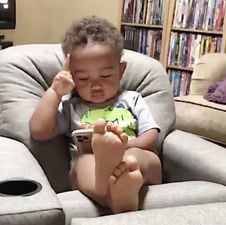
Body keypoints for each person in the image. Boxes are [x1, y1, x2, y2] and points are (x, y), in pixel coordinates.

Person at [29, 16, 162, 213]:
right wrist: (55, 91)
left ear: (121, 70)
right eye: (83, 78)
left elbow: (151, 136)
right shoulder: (70, 105)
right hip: (92, 162)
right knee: (83, 163)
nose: (96, 86)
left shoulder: (132, 99)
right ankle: (115, 193)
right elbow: (39, 131)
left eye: (106, 76)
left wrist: (124, 147)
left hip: (131, 156)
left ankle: (117, 182)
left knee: (139, 158)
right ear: (72, 76)